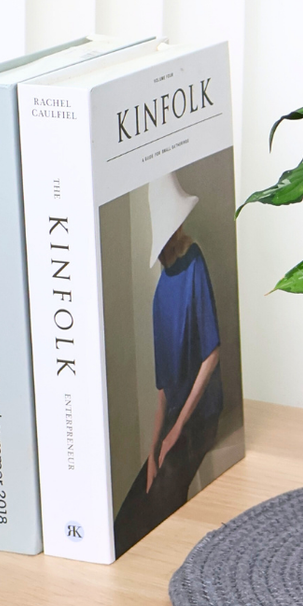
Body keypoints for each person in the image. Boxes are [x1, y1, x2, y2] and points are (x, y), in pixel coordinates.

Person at [113, 172, 223, 556]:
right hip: (176, 416)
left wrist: (177, 433)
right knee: (135, 502)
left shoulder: (195, 263)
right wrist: (154, 445)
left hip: (202, 412)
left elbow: (212, 356)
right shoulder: (159, 296)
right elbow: (163, 392)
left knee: (163, 496)